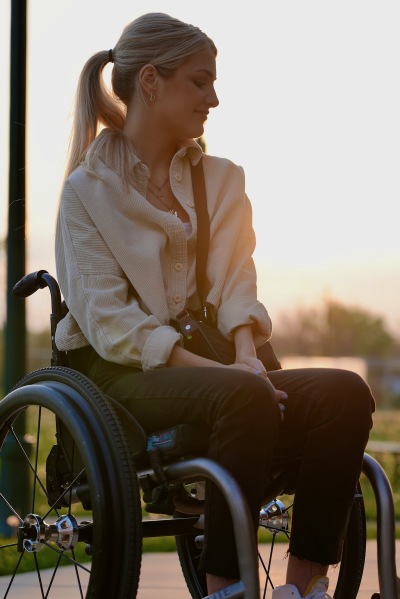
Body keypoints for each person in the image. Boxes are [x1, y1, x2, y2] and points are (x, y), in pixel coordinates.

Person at [54, 12, 375, 598]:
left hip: (226, 369)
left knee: (344, 393)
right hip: (125, 380)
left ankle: (305, 589)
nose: (214, 98)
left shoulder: (224, 179)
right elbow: (109, 324)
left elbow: (236, 284)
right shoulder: (87, 192)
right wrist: (229, 375)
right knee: (244, 395)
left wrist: (247, 357)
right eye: (200, 82)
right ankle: (227, 587)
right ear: (151, 80)